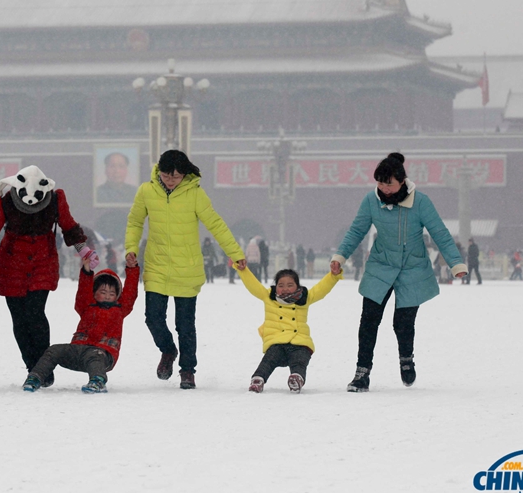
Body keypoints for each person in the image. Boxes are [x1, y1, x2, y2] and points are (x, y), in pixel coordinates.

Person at [330, 152, 467, 393]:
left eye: (389, 183)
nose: (384, 188)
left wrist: (456, 263)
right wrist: (340, 256)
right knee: (368, 321)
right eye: (380, 183)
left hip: (412, 268)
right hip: (380, 266)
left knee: (402, 323)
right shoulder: (371, 201)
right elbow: (356, 231)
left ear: (402, 181)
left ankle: (406, 359)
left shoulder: (421, 202)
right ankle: (362, 373)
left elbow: (440, 233)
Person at [125, 149, 245, 389]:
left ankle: (188, 370)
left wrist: (235, 253)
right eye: (167, 175)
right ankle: (168, 350)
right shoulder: (146, 191)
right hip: (157, 266)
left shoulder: (195, 195)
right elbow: (135, 221)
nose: (171, 180)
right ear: (159, 171)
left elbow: (216, 224)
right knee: (153, 318)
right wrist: (131, 248)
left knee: (185, 325)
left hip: (187, 267)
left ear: (185, 174)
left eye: (176, 176)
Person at [0, 165, 92, 387]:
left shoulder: (56, 199)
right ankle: (32, 367)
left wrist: (84, 250)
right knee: (19, 318)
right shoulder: (6, 201)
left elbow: (69, 226)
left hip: (42, 261)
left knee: (36, 314)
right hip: (12, 264)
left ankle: (43, 366)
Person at [23, 252, 140, 393]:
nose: (108, 296)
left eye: (112, 293)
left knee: (95, 357)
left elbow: (130, 293)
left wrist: (132, 269)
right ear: (94, 292)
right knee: (54, 350)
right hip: (78, 350)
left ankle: (98, 380)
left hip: (103, 353)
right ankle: (35, 378)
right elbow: (83, 291)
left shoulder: (120, 309)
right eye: (103, 292)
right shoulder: (86, 306)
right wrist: (86, 271)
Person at [235, 259, 342, 393]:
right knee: (269, 360)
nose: (285, 288)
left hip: (299, 340)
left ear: (297, 286)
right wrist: (243, 271)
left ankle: (296, 378)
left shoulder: (305, 298)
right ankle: (258, 379)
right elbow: (253, 285)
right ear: (276, 286)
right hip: (276, 341)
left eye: (290, 285)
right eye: (281, 285)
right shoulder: (269, 297)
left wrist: (333, 276)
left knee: (300, 359)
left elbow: (321, 288)